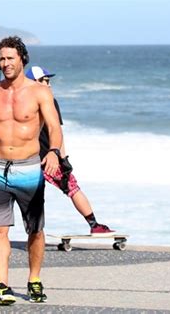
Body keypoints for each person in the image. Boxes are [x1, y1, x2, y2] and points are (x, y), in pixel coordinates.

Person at [0, 36, 63, 305]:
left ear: (22, 58)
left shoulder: (40, 92)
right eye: (1, 59)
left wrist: (54, 153)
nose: (6, 63)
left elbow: (54, 128)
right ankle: (2, 284)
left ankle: (34, 279)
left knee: (34, 230)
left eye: (10, 58)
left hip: (29, 168)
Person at [26, 66, 115, 235]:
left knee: (31, 195)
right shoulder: (49, 101)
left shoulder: (24, 102)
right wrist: (63, 158)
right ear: (35, 82)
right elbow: (58, 132)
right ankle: (94, 225)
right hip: (47, 159)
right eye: (45, 81)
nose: (49, 84)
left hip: (31, 158)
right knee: (72, 189)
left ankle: (33, 230)